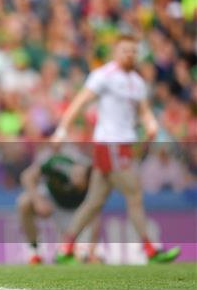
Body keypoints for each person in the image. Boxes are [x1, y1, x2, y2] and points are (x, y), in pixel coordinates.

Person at [51, 34, 180, 264]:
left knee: (94, 202)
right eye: (125, 51)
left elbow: (143, 110)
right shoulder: (104, 76)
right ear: (115, 52)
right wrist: (62, 128)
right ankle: (151, 249)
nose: (129, 55)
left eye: (133, 51)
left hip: (124, 145)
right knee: (134, 192)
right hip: (110, 144)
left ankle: (65, 247)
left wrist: (150, 122)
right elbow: (80, 101)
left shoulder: (137, 82)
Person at [18, 143, 103, 264]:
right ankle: (34, 251)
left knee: (79, 258)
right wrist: (38, 201)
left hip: (77, 212)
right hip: (53, 202)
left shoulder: (95, 175)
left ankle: (84, 251)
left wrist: (92, 248)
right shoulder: (57, 164)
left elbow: (95, 213)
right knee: (24, 202)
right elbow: (27, 176)